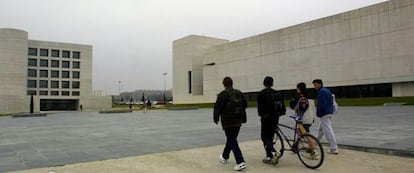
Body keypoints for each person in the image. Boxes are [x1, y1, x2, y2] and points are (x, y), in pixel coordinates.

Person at [214, 76, 247, 171]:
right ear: (232, 83)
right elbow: (245, 105)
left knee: (232, 140)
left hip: (228, 121)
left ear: (224, 84)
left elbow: (217, 107)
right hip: (238, 120)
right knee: (231, 139)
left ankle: (240, 162)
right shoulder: (239, 93)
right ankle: (224, 156)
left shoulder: (222, 94)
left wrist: (216, 118)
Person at [257, 76, 285, 164]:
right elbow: (282, 106)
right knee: (270, 137)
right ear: (272, 83)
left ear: (264, 83)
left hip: (266, 118)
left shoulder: (261, 93)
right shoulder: (277, 93)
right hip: (275, 117)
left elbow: (260, 108)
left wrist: (262, 115)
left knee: (264, 137)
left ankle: (273, 152)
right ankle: (269, 156)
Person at [312, 79, 339, 154]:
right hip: (328, 112)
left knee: (328, 130)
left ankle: (334, 148)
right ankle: (315, 143)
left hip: (324, 113)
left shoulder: (322, 92)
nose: (315, 86)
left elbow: (322, 104)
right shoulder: (326, 90)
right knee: (321, 130)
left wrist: (319, 113)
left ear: (320, 84)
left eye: (316, 85)